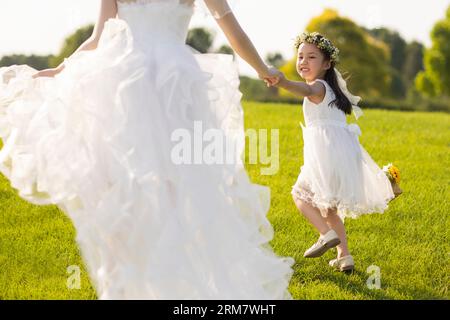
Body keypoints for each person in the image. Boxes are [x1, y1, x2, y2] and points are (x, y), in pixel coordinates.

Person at [0, 0, 294, 299]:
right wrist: (263, 68)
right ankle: (150, 281)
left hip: (132, 78)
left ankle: (137, 283)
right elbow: (232, 29)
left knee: (127, 181)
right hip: (166, 81)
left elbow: (98, 38)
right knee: (177, 184)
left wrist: (64, 67)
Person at [272, 32, 395, 272]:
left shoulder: (318, 87)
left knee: (300, 195)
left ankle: (325, 235)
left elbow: (303, 90)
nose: (303, 62)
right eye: (300, 57)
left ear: (327, 64)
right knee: (329, 208)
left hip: (326, 154)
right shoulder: (332, 91)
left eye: (311, 57)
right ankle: (344, 256)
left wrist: (282, 82)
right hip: (342, 155)